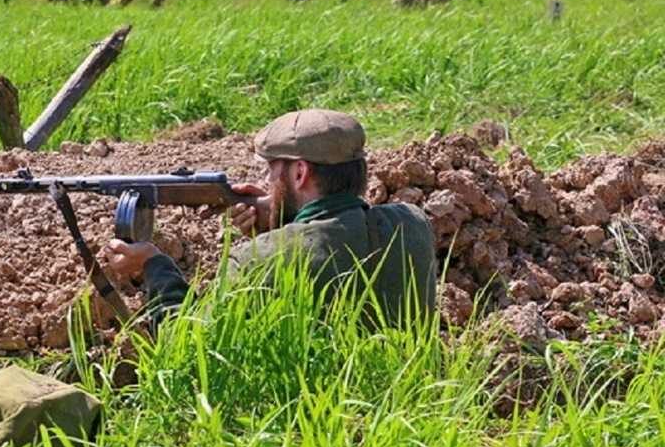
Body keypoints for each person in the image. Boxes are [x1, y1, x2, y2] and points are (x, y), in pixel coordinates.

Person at [107, 109, 437, 330]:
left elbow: (182, 340)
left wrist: (155, 265)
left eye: (271, 170)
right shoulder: (412, 224)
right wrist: (284, 223)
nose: (266, 182)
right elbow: (339, 240)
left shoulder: (257, 260)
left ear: (300, 172)